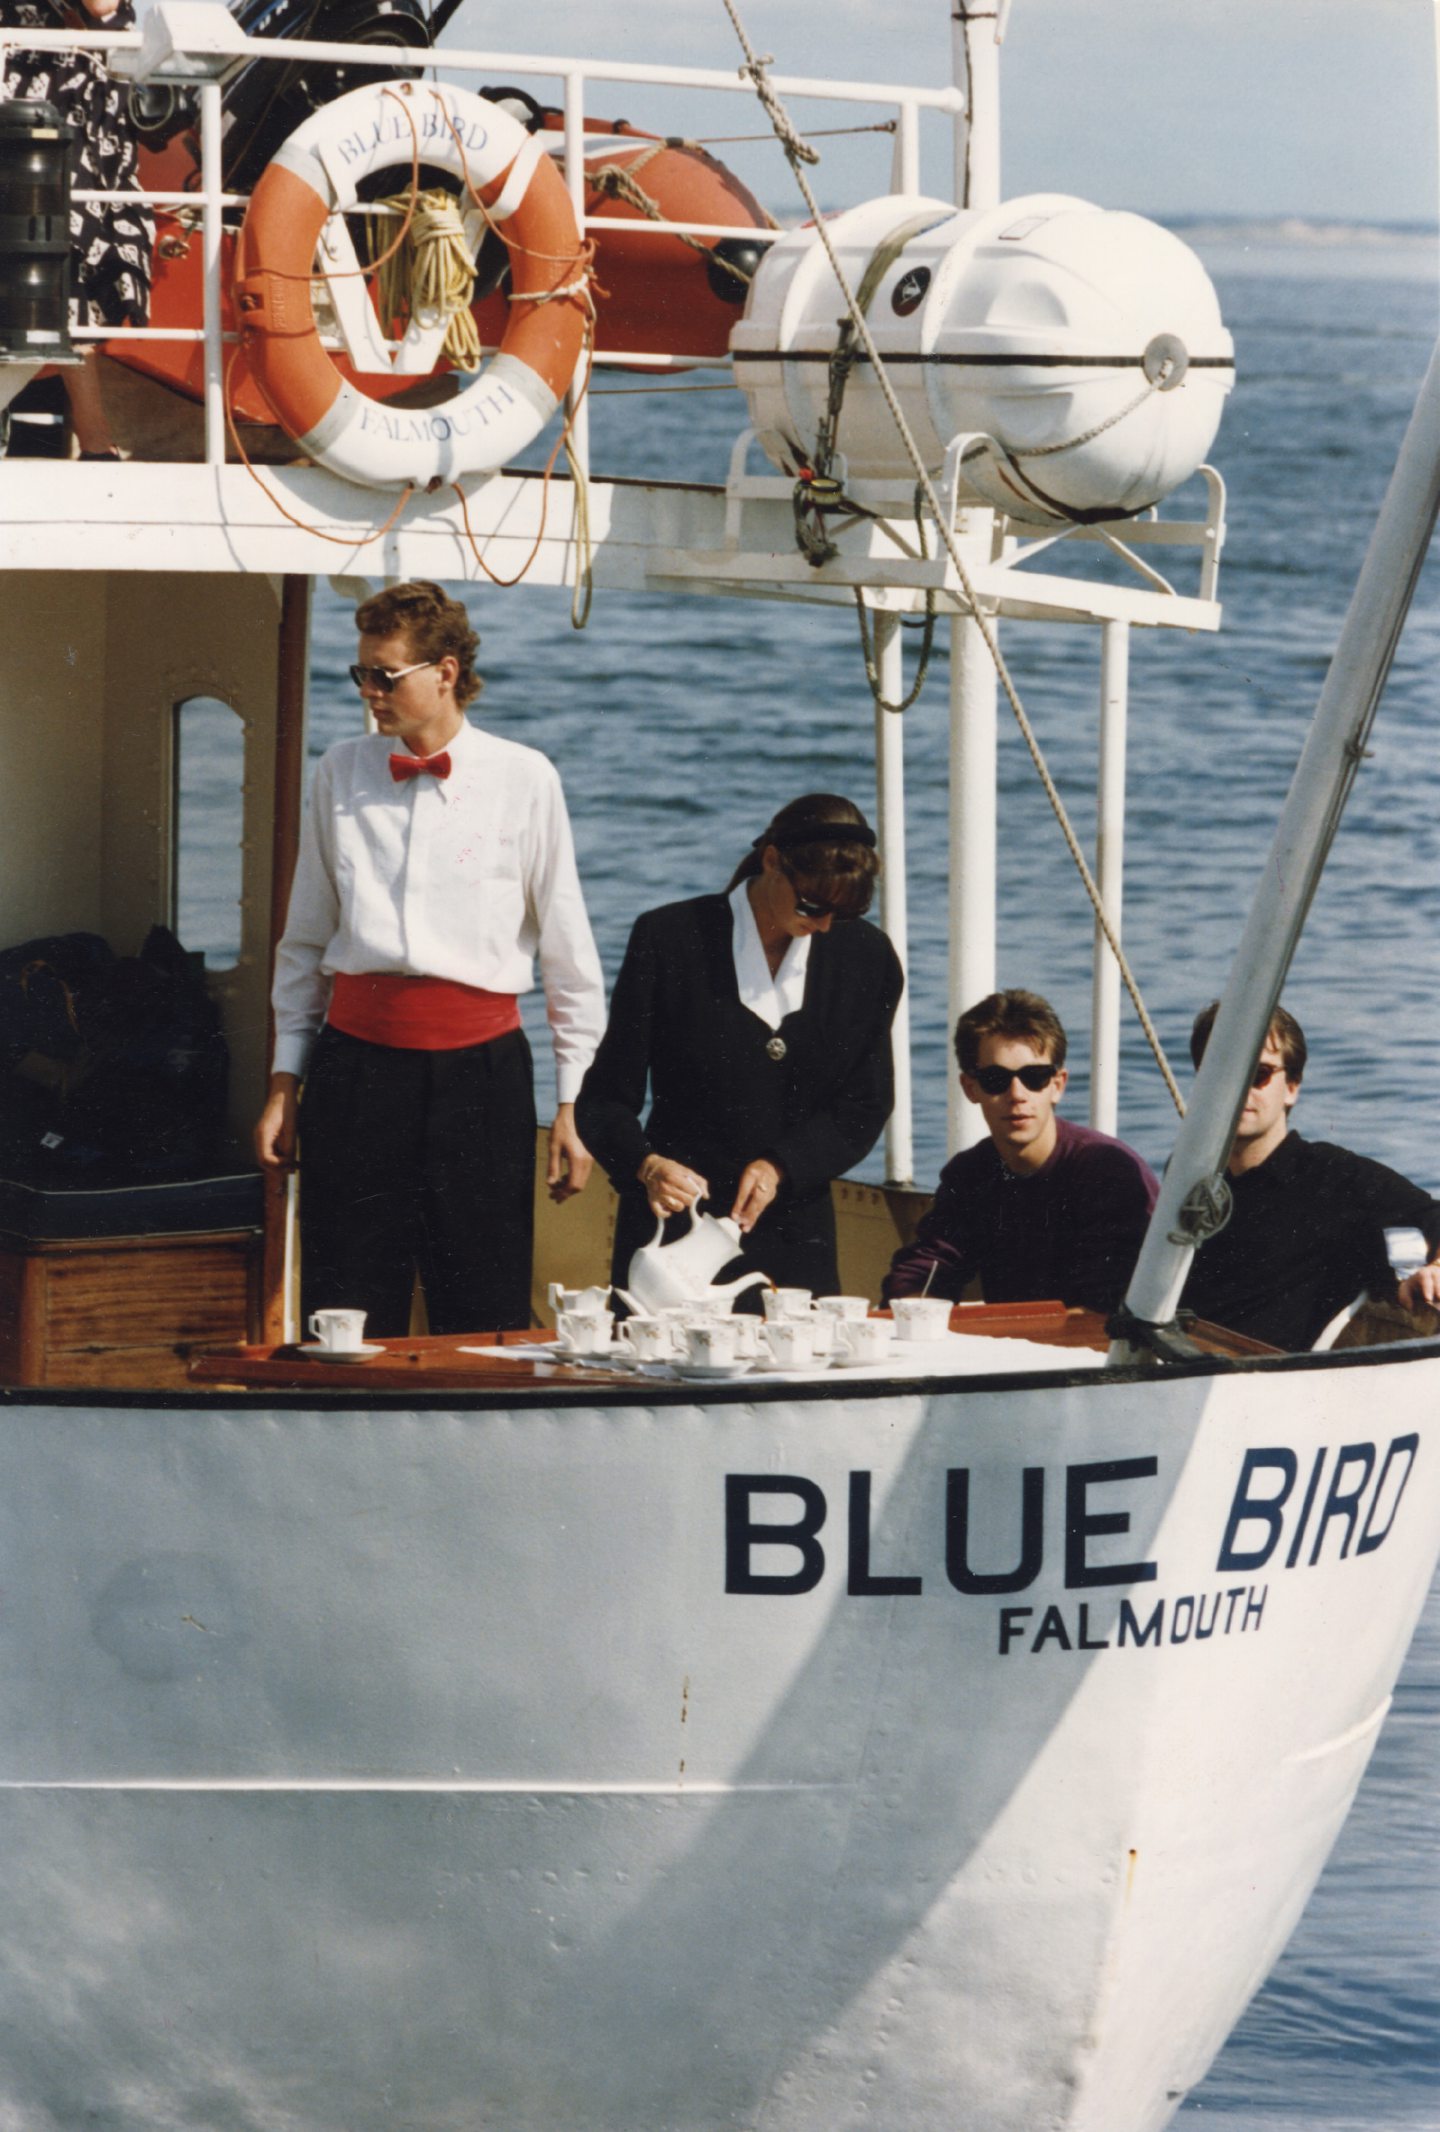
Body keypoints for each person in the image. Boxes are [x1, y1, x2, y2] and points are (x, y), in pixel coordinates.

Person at [254, 579, 605, 1336]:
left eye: (386, 675)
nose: (369, 692)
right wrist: (286, 1084)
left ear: (445, 672)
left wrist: (573, 1104)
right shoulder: (338, 772)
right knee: (343, 1306)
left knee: (481, 1305)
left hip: (481, 1077)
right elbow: (305, 944)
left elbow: (570, 959)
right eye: (361, 674)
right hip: (355, 1073)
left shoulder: (525, 778)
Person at [575, 794, 903, 1302]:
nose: (824, 926)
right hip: (674, 1227)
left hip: (796, 1230)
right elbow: (603, 1101)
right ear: (771, 861)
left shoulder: (867, 958)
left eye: (844, 912)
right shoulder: (668, 938)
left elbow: (864, 1105)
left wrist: (781, 1166)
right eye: (813, 905)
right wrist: (646, 1166)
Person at [1179, 1001, 1440, 1351]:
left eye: (1259, 1075)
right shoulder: (1189, 1180)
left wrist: (1436, 1269)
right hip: (1180, 1364)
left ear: (1291, 1087)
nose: (1240, 1089)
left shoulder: (1333, 1176)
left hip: (1266, 1382)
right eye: (1220, 1071)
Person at [884, 989, 1158, 1314]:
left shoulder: (1107, 1172)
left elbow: (1113, 1299)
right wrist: (915, 1309)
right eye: (996, 1079)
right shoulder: (972, 1173)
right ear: (971, 1088)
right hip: (1019, 1348)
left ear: (1057, 1085)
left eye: (1034, 1077)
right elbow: (926, 1270)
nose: (1017, 1094)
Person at [0, 0, 152, 456]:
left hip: (68, 106)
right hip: (21, 94)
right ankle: (96, 442)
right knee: (46, 264)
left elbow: (103, 7)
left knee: (65, 260)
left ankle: (96, 440)